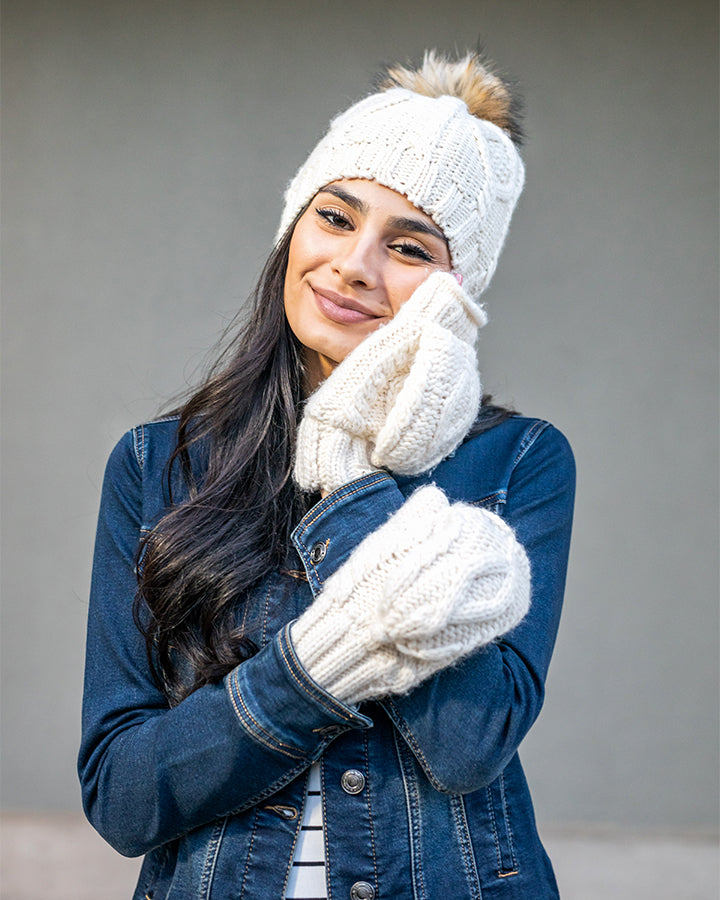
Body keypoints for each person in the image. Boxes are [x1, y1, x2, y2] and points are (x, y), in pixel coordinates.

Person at [78, 49, 575, 900]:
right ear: (293, 230)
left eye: (409, 245)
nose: (354, 265)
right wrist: (312, 671)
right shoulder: (157, 466)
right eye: (336, 218)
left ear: (457, 290)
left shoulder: (519, 462)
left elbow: (468, 744)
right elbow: (123, 796)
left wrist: (347, 483)